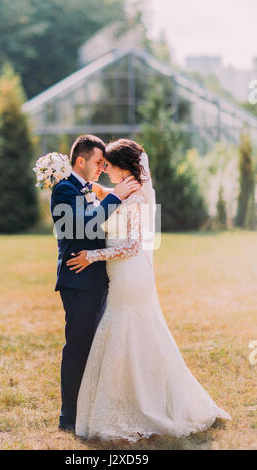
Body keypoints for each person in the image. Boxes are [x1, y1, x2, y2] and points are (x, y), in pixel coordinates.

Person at [67, 139, 231, 441]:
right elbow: (110, 199)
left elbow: (130, 246)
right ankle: (133, 399)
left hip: (130, 276)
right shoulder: (126, 191)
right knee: (138, 339)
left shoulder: (137, 197)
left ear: (123, 167)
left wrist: (91, 256)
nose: (105, 171)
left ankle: (139, 404)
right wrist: (102, 192)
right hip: (124, 276)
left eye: (109, 166)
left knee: (124, 336)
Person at [51, 135, 140, 431]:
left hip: (99, 278)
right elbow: (84, 225)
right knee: (77, 347)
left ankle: (88, 410)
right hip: (78, 281)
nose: (102, 167)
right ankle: (69, 416)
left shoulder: (89, 188)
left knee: (94, 348)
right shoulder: (64, 188)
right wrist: (116, 197)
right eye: (99, 162)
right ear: (81, 161)